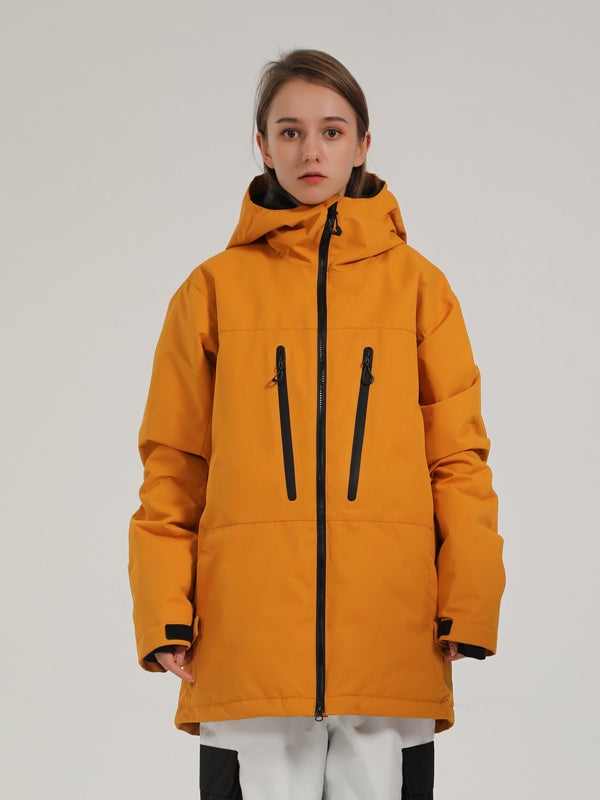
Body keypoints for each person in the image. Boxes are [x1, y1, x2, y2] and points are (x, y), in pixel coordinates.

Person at [129, 48, 505, 800]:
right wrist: (164, 612)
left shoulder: (420, 289)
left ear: (362, 144)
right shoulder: (210, 292)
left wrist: (470, 602)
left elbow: (458, 458)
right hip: (247, 639)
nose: (311, 150)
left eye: (331, 131)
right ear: (262, 145)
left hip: (389, 633)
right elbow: (174, 462)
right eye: (290, 131)